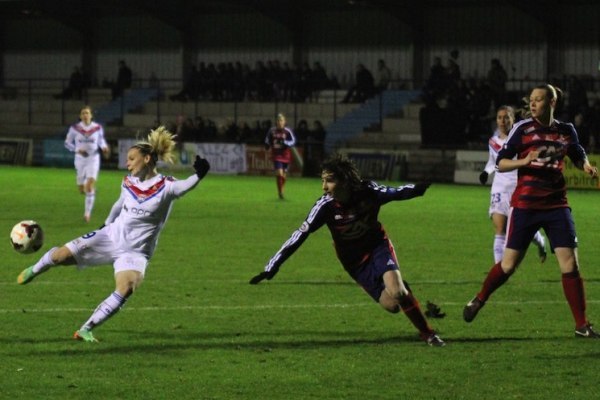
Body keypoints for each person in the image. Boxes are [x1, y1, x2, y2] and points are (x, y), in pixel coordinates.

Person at [17, 127, 211, 342]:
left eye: (131, 159)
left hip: (136, 252)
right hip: (109, 236)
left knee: (126, 288)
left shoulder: (167, 186)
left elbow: (185, 186)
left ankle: (86, 329)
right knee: (60, 256)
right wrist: (105, 224)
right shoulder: (128, 182)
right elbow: (119, 205)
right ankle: (34, 269)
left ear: (147, 159)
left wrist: (199, 175)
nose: (127, 163)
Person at [249, 154, 445, 347]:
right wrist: (273, 264)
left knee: (398, 293)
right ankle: (400, 288)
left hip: (377, 246)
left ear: (344, 181)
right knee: (393, 305)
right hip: (354, 263)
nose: (324, 187)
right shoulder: (325, 206)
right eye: (323, 181)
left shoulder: (367, 191)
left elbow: (394, 192)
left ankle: (428, 334)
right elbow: (299, 235)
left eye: (330, 181)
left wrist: (417, 189)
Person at [463, 84, 600, 339]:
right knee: (508, 265)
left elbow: (577, 153)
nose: (533, 103)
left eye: (539, 99)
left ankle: (582, 325)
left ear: (552, 103)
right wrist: (524, 161)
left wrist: (586, 166)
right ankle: (480, 299)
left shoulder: (565, 130)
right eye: (532, 100)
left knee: (570, 264)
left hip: (557, 204)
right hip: (526, 205)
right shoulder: (522, 129)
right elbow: (501, 162)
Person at [479, 105, 547, 264]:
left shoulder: (522, 139)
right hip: (500, 188)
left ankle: (539, 241)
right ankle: (498, 269)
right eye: (499, 117)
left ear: (513, 119)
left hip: (519, 187)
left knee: (521, 228)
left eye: (506, 117)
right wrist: (486, 172)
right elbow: (493, 162)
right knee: (500, 228)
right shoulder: (493, 141)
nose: (502, 121)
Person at [64, 105, 111, 222]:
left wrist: (104, 147)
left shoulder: (97, 127)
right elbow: (67, 143)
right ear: (80, 116)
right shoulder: (75, 128)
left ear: (91, 115)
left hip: (93, 158)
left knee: (89, 186)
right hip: (80, 158)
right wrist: (77, 149)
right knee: (81, 188)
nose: (85, 115)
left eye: (87, 113)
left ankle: (87, 214)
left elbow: (101, 140)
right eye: (83, 113)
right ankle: (84, 186)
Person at [264, 113, 296, 199]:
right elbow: (267, 139)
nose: (280, 122)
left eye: (281, 120)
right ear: (276, 122)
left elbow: (293, 141)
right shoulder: (272, 131)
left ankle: (281, 190)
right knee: (279, 174)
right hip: (276, 155)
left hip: (286, 156)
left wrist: (286, 143)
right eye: (278, 120)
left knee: (284, 176)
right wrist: (267, 145)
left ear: (284, 122)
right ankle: (280, 192)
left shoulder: (287, 131)